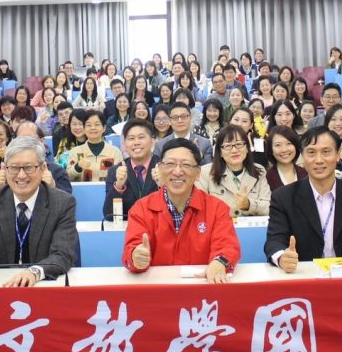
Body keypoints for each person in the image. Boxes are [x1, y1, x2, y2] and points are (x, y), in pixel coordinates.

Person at [265, 127, 342, 269]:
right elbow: (274, 241)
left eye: (326, 152)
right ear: (302, 156)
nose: (319, 160)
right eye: (311, 152)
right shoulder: (283, 197)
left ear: (338, 154)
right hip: (305, 276)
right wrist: (282, 257)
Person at [122, 138, 240, 282]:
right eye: (170, 164)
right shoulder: (141, 209)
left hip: (201, 287)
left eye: (186, 165)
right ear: (160, 168)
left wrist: (219, 262)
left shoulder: (217, 209)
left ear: (198, 173)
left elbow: (227, 246)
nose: (177, 172)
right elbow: (132, 248)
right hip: (157, 287)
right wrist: (135, 257)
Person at [0, 137, 79, 286]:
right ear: (5, 169)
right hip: (3, 287)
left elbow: (62, 254)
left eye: (28, 167)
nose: (21, 175)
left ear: (43, 168)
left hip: (44, 287)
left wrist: (34, 272)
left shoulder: (63, 203)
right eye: (14, 168)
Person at [197, 124, 270, 217]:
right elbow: (201, 208)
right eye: (228, 146)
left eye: (239, 144)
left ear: (247, 148)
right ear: (220, 152)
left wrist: (248, 205)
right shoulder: (206, 173)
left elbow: (267, 208)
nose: (234, 150)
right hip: (220, 225)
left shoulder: (259, 171)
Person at [103, 119, 160, 220]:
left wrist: (163, 186)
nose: (136, 143)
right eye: (131, 138)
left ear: (153, 141)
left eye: (141, 137)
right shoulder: (115, 171)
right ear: (124, 144)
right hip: (127, 228)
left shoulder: (165, 168)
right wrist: (118, 186)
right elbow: (109, 215)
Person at [67, 110, 124, 183]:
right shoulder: (75, 152)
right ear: (84, 128)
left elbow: (121, 178)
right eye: (88, 125)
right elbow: (68, 177)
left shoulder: (115, 152)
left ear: (104, 128)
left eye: (97, 124)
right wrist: (78, 166)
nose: (93, 128)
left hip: (108, 190)